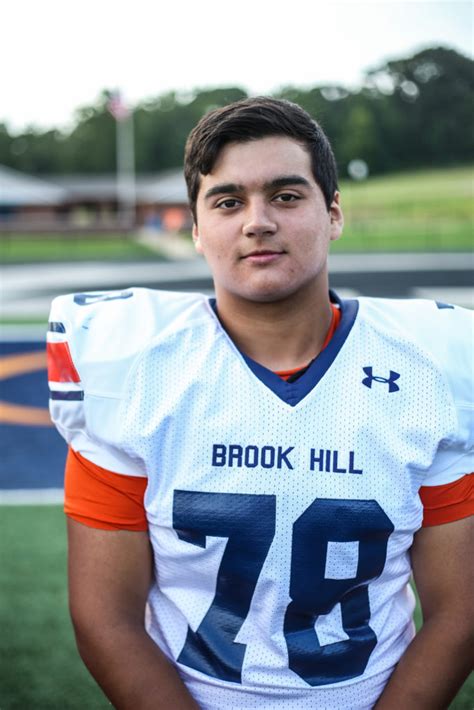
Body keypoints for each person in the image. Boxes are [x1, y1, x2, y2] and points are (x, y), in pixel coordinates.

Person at [47, 97, 473, 710]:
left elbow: (460, 611)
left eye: (286, 196)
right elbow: (105, 617)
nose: (257, 221)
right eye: (227, 201)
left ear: (333, 213)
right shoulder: (133, 369)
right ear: (196, 229)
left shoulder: (431, 367)